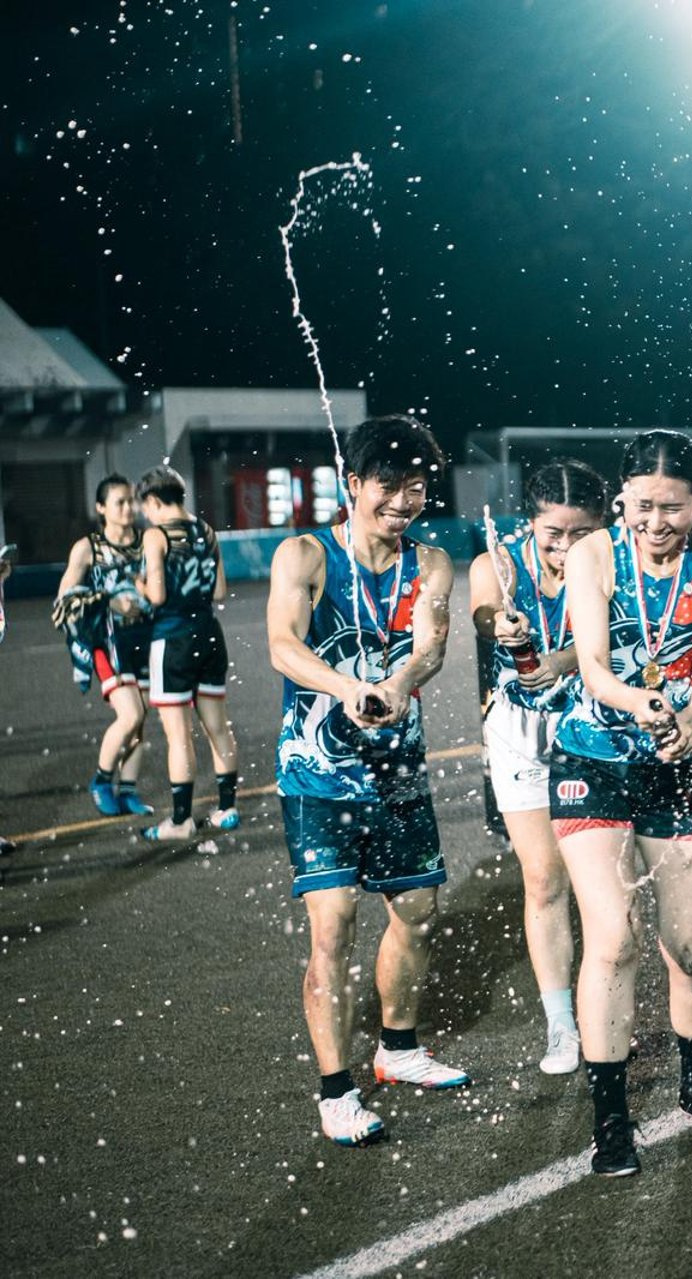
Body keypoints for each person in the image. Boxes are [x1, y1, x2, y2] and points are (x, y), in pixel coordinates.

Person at [269, 415, 470, 1148]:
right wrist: (345, 687)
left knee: (417, 909)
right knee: (333, 926)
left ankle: (398, 1048)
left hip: (397, 770)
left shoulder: (431, 564)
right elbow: (283, 643)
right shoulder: (305, 554)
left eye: (417, 486)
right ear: (353, 484)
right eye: (388, 484)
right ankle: (335, 1089)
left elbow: (432, 648)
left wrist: (396, 681)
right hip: (317, 771)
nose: (403, 500)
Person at [550, 431, 692, 1177]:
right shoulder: (595, 553)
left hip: (677, 761)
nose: (656, 522)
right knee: (615, 935)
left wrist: (688, 721)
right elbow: (594, 667)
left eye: (674, 507)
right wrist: (644, 703)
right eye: (643, 505)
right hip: (593, 759)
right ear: (621, 495)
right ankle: (612, 1121)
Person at [470, 459, 607, 1076]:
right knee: (545, 880)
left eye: (581, 533)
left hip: (592, 734)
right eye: (554, 533)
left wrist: (564, 660)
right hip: (520, 739)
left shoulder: (608, 561)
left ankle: (603, 1004)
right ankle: (561, 1025)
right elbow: (482, 609)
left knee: (602, 885)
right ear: (532, 523)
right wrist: (500, 624)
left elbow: (613, 637)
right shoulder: (498, 564)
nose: (566, 546)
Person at [135, 465, 239, 841]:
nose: (145, 513)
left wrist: (138, 583)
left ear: (153, 500)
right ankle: (227, 809)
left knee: (179, 735)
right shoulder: (206, 531)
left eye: (145, 506)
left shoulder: (156, 536)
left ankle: (180, 821)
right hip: (210, 634)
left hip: (173, 639)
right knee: (217, 727)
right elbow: (220, 591)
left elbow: (158, 596)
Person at [54, 476, 156, 817]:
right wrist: (110, 602)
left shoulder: (148, 542)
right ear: (101, 508)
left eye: (130, 501)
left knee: (141, 723)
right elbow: (65, 600)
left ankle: (128, 791)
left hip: (144, 637)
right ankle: (101, 780)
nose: (128, 508)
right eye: (119, 502)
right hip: (107, 641)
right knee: (130, 715)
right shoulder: (88, 548)